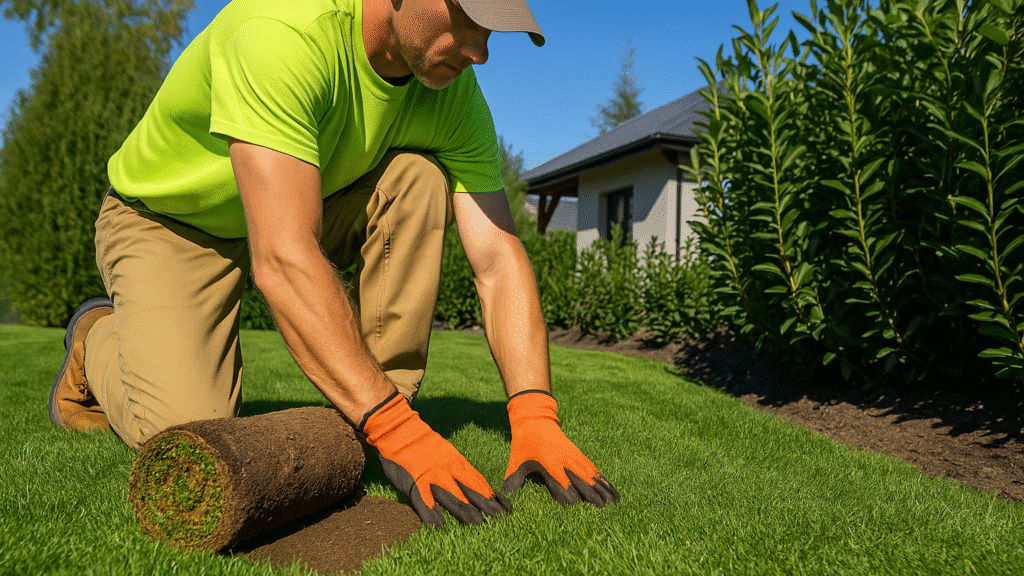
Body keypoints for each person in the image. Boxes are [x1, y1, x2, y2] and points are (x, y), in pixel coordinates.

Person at [48, 0, 620, 528]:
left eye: (490, 30)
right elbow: (284, 258)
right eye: (464, 20)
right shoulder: (282, 34)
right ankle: (93, 336)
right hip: (170, 220)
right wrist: (398, 434)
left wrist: (534, 411)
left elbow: (497, 255)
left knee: (419, 177)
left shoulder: (455, 97)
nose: (480, 50)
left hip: (302, 201)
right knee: (184, 431)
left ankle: (379, 401)